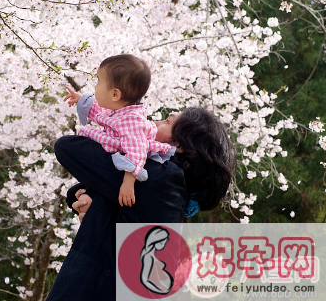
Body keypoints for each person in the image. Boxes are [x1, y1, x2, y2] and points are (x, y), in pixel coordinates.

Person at [46, 106, 236, 301]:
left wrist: (127, 130)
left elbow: (68, 147)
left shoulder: (162, 178)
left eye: (166, 122)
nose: (155, 123)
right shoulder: (169, 188)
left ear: (179, 145)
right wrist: (89, 202)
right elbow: (84, 189)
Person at [64, 54, 175, 207]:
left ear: (115, 94)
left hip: (125, 160)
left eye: (99, 82)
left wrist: (128, 182)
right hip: (116, 150)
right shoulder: (121, 110)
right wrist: (82, 100)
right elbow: (103, 115)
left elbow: (136, 151)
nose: (95, 87)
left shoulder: (132, 120)